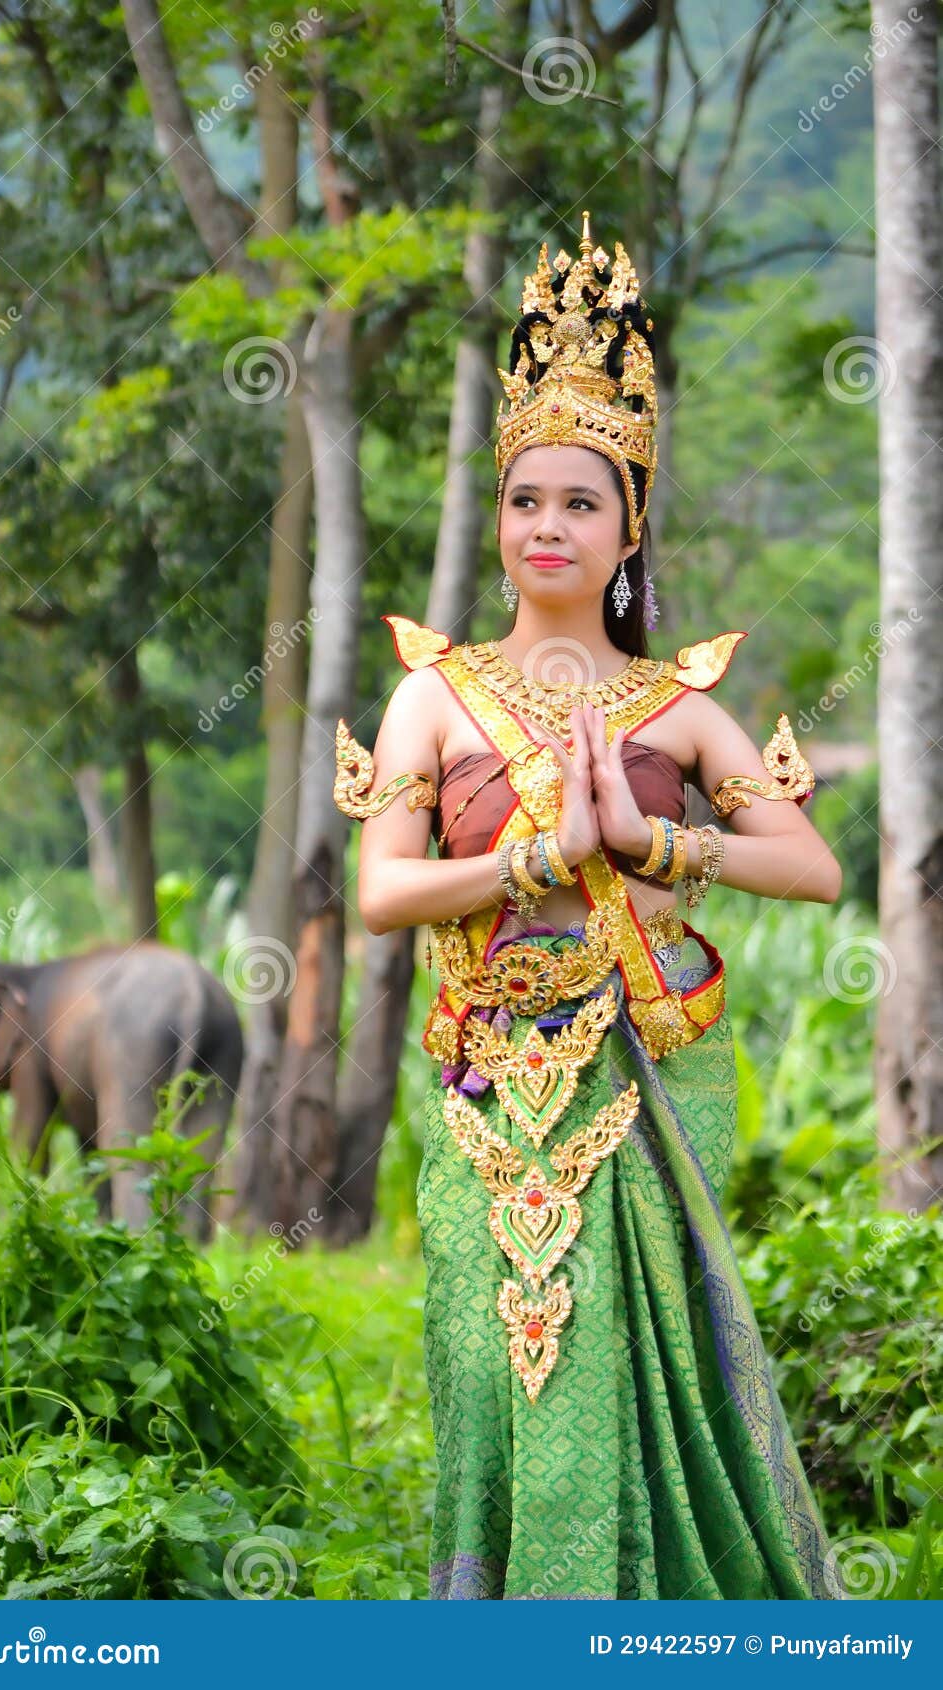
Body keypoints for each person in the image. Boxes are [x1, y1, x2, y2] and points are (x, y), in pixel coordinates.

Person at [333, 211, 843, 1600]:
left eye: (580, 501)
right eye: (524, 499)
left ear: (627, 529)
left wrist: (654, 841)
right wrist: (529, 868)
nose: (546, 526)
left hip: (628, 1088)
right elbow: (382, 893)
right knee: (493, 1391)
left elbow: (811, 866)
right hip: (484, 1105)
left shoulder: (675, 706)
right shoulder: (434, 692)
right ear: (498, 518)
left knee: (634, 1387)